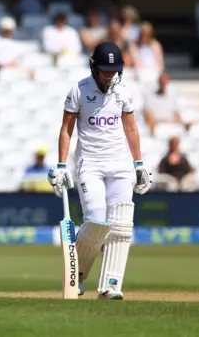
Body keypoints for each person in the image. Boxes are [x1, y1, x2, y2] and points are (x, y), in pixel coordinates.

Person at [48, 42, 152, 300]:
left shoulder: (124, 93)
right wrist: (61, 165)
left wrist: (139, 164)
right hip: (90, 163)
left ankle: (110, 286)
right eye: (105, 70)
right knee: (96, 222)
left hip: (119, 163)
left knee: (122, 225)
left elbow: (130, 129)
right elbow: (66, 129)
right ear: (94, 67)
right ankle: (79, 275)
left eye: (114, 70)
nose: (110, 75)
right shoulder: (79, 91)